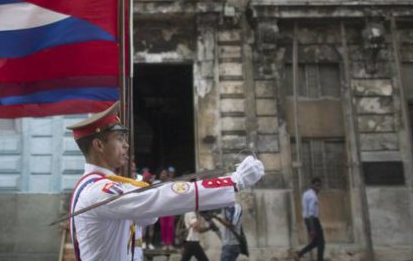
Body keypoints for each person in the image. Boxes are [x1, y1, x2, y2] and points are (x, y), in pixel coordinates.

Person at [67, 103, 265, 261]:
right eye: (119, 138)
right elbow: (161, 198)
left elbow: (148, 217)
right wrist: (231, 182)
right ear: (99, 145)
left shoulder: (108, 184)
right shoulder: (100, 190)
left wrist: (145, 194)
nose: (126, 145)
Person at [295, 177, 324, 261]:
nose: (319, 188)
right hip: (313, 221)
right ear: (312, 185)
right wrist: (312, 229)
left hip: (308, 221)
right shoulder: (313, 196)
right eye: (317, 185)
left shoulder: (306, 193)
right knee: (321, 244)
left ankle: (299, 253)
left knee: (315, 242)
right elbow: (311, 213)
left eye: (320, 186)